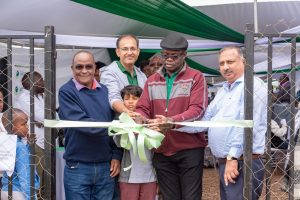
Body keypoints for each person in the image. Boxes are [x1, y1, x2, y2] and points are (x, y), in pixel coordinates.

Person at [175, 46, 267, 200]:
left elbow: (247, 125)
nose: (225, 67)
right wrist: (173, 125)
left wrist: (233, 157)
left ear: (243, 62)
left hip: (243, 162)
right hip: (228, 161)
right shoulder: (224, 90)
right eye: (222, 63)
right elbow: (205, 121)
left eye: (230, 62)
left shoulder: (253, 86)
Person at [135, 33, 208, 200]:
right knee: (169, 197)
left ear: (184, 55)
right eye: (165, 55)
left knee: (191, 197)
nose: (168, 60)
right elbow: (143, 107)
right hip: (161, 149)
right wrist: (139, 117)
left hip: (189, 149)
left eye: (173, 56)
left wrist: (172, 122)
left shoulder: (195, 77)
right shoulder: (152, 80)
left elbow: (198, 109)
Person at [58, 50, 122, 199]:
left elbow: (116, 119)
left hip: (106, 166)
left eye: (88, 66)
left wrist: (117, 155)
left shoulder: (106, 91)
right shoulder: (66, 92)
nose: (84, 71)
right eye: (79, 67)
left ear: (95, 68)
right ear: (72, 68)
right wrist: (117, 127)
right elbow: (84, 124)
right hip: (78, 167)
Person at [115, 85, 157, 200]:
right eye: (127, 99)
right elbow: (119, 143)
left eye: (134, 98)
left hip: (150, 175)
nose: (130, 102)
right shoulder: (119, 121)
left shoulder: (151, 120)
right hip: (128, 176)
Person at [14, 71, 45, 199]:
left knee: (44, 178)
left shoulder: (40, 96)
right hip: (33, 143)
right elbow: (43, 116)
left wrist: (43, 120)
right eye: (41, 80)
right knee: (35, 179)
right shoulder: (24, 97)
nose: (43, 83)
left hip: (44, 142)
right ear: (32, 83)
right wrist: (41, 121)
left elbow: (53, 116)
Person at [100, 34, 147, 116]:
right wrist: (127, 113)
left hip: (139, 124)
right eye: (125, 49)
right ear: (118, 52)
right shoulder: (109, 73)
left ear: (138, 51)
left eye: (133, 49)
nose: (129, 52)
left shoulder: (142, 75)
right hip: (119, 125)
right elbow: (113, 98)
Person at [1, 108, 40, 200]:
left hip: (6, 189)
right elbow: (25, 177)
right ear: (12, 127)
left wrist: (28, 145)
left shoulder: (7, 142)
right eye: (23, 124)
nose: (27, 126)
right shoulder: (20, 147)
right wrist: (31, 197)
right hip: (19, 192)